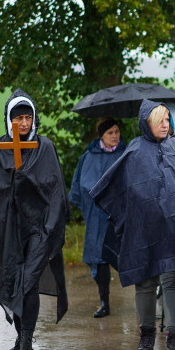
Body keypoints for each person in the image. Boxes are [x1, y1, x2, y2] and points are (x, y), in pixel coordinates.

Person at [92, 100, 175, 350]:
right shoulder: (135, 151)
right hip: (143, 228)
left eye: (167, 120)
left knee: (173, 281)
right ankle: (146, 335)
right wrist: (127, 217)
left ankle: (174, 338)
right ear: (146, 123)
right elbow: (115, 189)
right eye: (160, 120)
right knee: (146, 282)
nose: (166, 124)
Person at [0, 90, 70, 350]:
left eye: (27, 117)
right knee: (11, 282)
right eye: (18, 118)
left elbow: (55, 191)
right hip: (6, 229)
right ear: (9, 120)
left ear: (34, 119)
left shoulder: (44, 147)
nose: (23, 123)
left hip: (38, 229)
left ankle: (27, 342)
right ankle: (18, 338)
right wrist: (10, 188)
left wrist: (49, 225)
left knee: (30, 283)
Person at [69, 117, 127, 318]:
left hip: (122, 216)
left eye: (117, 132)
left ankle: (149, 298)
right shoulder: (89, 156)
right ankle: (104, 302)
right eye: (110, 133)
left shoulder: (126, 154)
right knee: (100, 259)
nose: (115, 136)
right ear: (101, 135)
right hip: (98, 217)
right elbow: (79, 187)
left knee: (131, 255)